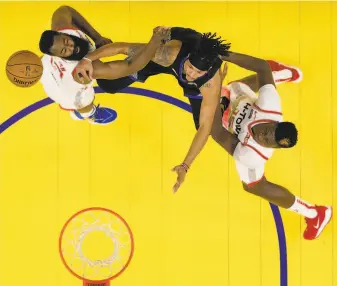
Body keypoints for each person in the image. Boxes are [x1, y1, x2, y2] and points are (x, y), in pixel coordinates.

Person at [206, 51, 332, 240]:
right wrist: (223, 54)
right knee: (241, 86)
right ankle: (279, 75)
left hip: (233, 130)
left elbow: (216, 132)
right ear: (275, 122)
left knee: (253, 186)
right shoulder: (270, 107)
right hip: (241, 99)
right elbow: (262, 66)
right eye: (268, 130)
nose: (263, 134)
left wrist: (214, 94)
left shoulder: (252, 155)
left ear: (274, 147)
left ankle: (314, 213)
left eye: (267, 139)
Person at [38, 5, 170, 124]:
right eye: (64, 51)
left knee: (109, 79)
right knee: (88, 99)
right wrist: (154, 43)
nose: (71, 48)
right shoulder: (83, 72)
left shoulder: (61, 26)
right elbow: (131, 66)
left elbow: (65, 10)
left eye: (67, 42)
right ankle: (89, 115)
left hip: (47, 71)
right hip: (68, 94)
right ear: (58, 56)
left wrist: (97, 38)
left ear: (61, 32)